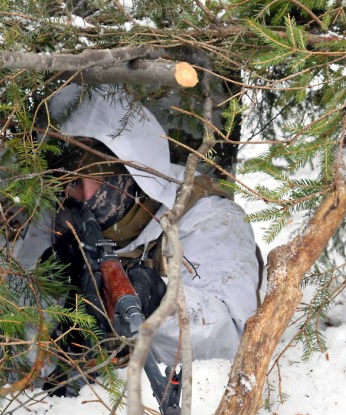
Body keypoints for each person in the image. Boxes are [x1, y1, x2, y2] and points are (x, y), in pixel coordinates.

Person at [15, 85, 261, 381]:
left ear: (132, 172)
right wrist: (56, 300)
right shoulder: (58, 219)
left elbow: (232, 335)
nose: (86, 196)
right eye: (71, 182)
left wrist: (159, 301)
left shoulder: (206, 216)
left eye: (101, 177)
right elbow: (15, 339)